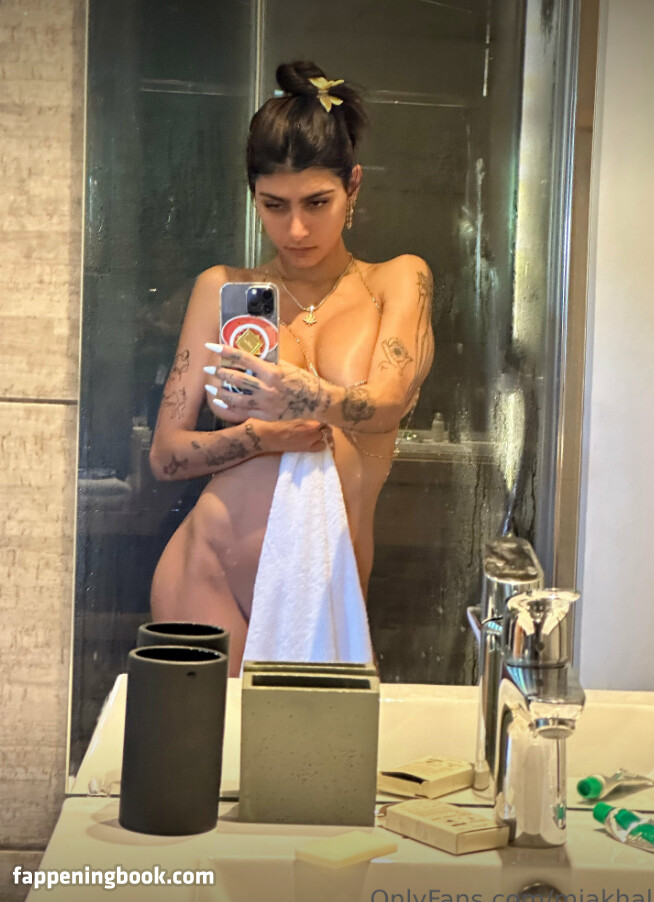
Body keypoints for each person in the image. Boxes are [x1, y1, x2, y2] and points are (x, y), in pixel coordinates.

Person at [149, 61, 434, 676]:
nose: (296, 228)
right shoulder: (221, 287)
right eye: (274, 205)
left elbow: (387, 402)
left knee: (319, 739)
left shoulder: (396, 281)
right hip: (206, 571)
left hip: (325, 586)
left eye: (317, 202)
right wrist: (263, 435)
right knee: (208, 742)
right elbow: (166, 456)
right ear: (253, 195)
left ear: (353, 186)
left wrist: (303, 395)